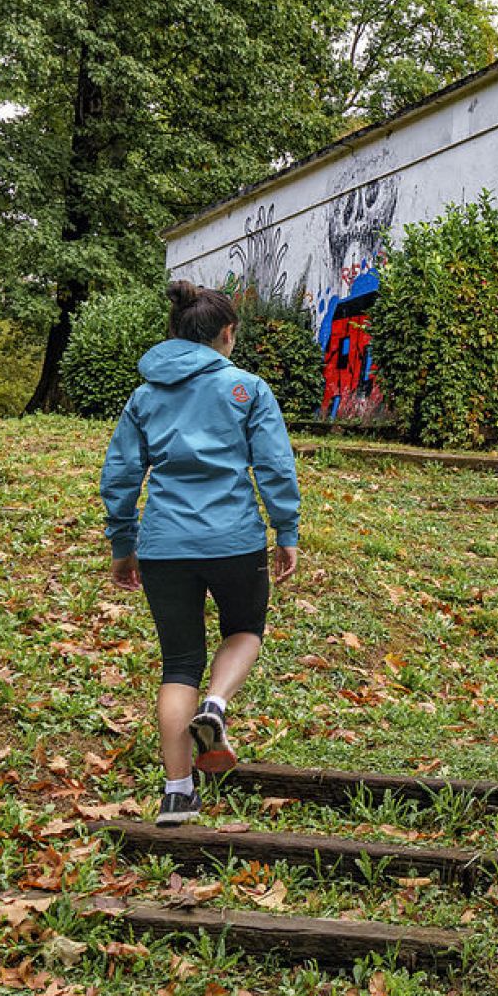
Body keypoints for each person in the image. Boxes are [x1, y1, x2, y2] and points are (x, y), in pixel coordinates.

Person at [100, 282, 301, 828]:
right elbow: (276, 468)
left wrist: (124, 545)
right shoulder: (248, 389)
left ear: (175, 334)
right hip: (233, 539)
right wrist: (287, 531)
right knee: (245, 630)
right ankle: (215, 705)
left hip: (164, 546)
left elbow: (120, 475)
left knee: (178, 663)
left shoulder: (144, 397)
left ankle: (177, 794)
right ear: (227, 334)